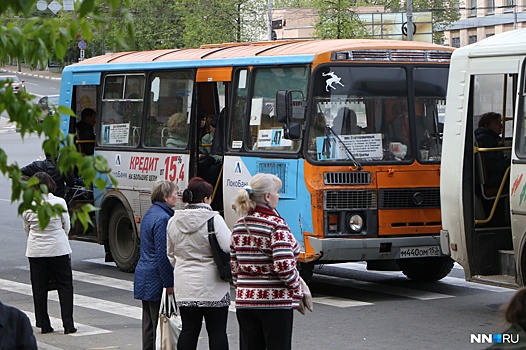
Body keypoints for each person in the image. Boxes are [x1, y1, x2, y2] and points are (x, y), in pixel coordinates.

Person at [230, 173, 303, 350]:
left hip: (245, 301)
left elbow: (234, 266)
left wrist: (244, 287)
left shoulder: (240, 225)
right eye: (277, 192)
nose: (279, 196)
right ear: (267, 196)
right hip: (274, 301)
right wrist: (296, 288)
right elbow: (284, 266)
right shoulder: (276, 225)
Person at [166, 177, 231, 350]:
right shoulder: (214, 220)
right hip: (213, 285)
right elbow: (228, 247)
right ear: (205, 199)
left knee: (189, 330)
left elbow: (170, 253)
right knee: (217, 331)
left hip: (185, 284)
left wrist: (183, 266)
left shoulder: (173, 220)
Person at [22, 172, 76, 335]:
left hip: (36, 251)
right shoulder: (59, 202)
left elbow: (27, 229)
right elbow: (66, 225)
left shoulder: (28, 206)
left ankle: (44, 325)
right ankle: (68, 324)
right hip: (58, 249)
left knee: (39, 288)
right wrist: (60, 237)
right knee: (65, 286)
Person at [134, 180, 177, 350]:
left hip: (145, 273)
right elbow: (163, 254)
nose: (177, 196)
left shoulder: (151, 213)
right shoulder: (163, 218)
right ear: (166, 196)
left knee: (149, 325)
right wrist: (169, 283)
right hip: (156, 277)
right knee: (160, 325)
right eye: (174, 193)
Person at [475, 112, 510, 190]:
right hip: (494, 179)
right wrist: (510, 161)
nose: (501, 126)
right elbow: (492, 165)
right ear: (487, 125)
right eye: (497, 123)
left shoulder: (490, 138)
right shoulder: (485, 139)